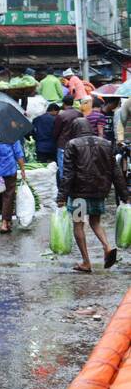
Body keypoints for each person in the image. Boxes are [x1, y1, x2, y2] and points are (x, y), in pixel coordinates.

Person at [59, 117, 130, 272]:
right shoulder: (105, 143)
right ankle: (107, 247)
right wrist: (125, 194)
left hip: (79, 194)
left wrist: (62, 197)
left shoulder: (72, 144)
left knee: (78, 224)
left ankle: (86, 262)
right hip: (99, 192)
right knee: (95, 222)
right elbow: (115, 171)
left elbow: (68, 173)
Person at [54, 94, 82, 177]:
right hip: (76, 144)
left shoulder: (61, 115)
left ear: (63, 103)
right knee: (75, 166)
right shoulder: (79, 114)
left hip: (63, 144)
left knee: (63, 168)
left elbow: (56, 131)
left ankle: (64, 187)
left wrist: (55, 140)